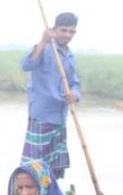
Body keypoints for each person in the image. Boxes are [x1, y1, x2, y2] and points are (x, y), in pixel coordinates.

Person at [21, 12, 81, 180]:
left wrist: (74, 95)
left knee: (54, 170)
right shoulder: (45, 49)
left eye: (71, 32)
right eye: (63, 30)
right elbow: (26, 65)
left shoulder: (69, 56)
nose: (67, 35)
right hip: (42, 117)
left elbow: (75, 82)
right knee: (34, 170)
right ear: (54, 30)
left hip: (60, 119)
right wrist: (43, 42)